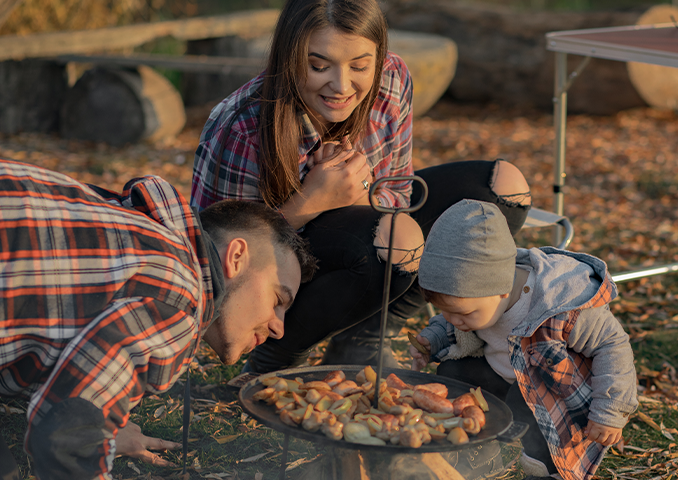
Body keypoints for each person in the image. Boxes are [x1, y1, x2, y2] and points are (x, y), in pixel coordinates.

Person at [191, 0, 532, 373]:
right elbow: (215, 255)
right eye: (318, 65)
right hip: (286, 268)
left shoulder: (393, 80)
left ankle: (365, 337)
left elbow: (400, 193)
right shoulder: (243, 126)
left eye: (359, 66)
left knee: (503, 189)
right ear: (289, 57)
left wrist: (357, 190)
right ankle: (277, 355)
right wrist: (311, 200)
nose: (341, 86)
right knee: (397, 238)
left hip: (367, 228)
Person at [0, 159, 316, 479]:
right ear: (235, 258)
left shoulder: (141, 227)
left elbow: (50, 315)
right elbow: (64, 441)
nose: (279, 328)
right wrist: (88, 429)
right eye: (278, 300)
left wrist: (104, 422)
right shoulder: (179, 297)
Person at [409, 200, 638, 480]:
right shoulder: (477, 298)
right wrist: (432, 340)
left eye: (462, 313)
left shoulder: (560, 307)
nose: (452, 319)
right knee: (453, 374)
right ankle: (481, 450)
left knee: (527, 412)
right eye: (446, 311)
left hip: (551, 395)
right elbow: (450, 321)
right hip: (502, 371)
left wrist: (610, 411)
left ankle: (544, 467)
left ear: (501, 290)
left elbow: (613, 346)